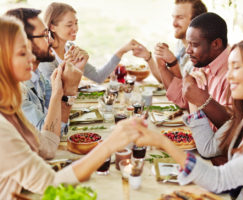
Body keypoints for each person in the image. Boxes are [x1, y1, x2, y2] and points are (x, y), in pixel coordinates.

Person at [132, 36, 243, 199]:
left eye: (236, 67)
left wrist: (162, 142)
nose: (228, 76)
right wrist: (193, 98)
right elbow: (208, 149)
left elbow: (220, 180)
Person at [0, 16, 141, 199]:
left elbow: (48, 147)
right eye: (22, 53)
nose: (32, 57)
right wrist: (109, 144)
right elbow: (50, 184)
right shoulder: (3, 128)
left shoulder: (10, 108)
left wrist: (61, 92)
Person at [6, 8, 85, 136]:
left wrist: (70, 73)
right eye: (44, 35)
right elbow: (46, 138)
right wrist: (69, 91)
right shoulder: (14, 90)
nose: (52, 40)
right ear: (24, 42)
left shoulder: (37, 75)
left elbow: (58, 121)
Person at [39, 2, 139, 83]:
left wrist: (121, 51)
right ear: (52, 27)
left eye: (76, 23)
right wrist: (71, 68)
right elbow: (53, 93)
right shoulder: (46, 56)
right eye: (69, 25)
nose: (75, 28)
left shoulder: (71, 48)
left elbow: (98, 77)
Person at [132, 0, 207, 83]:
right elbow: (168, 81)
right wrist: (148, 57)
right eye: (173, 17)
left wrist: (172, 62)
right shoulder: (181, 44)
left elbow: (186, 92)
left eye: (180, 17)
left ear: (197, 22)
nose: (173, 23)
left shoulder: (203, 55)